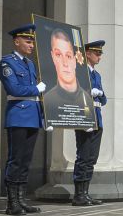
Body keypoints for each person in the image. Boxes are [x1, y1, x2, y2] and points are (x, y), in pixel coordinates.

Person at [0, 24, 46, 215]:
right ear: (16, 41)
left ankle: (21, 199)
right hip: (18, 115)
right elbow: (14, 90)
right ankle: (12, 203)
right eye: (28, 41)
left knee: (26, 161)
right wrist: (36, 89)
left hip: (32, 116)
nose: (32, 45)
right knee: (15, 160)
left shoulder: (30, 64)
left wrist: (42, 116)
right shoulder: (7, 62)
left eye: (32, 41)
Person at [72, 40, 107, 206]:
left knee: (92, 158)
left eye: (100, 53)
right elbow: (73, 92)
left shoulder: (97, 75)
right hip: (85, 116)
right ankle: (78, 195)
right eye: (97, 53)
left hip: (97, 118)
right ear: (87, 54)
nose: (99, 56)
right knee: (83, 157)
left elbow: (104, 99)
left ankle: (85, 193)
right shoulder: (80, 72)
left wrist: (98, 93)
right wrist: (88, 92)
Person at [42, 28, 93, 119]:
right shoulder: (48, 100)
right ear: (53, 57)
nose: (65, 63)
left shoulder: (87, 99)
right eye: (58, 55)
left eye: (68, 56)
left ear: (74, 59)